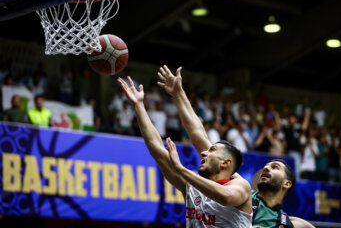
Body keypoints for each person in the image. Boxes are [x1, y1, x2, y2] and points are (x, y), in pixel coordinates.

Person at [156, 65, 314, 228]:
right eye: (267, 166)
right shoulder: (242, 191)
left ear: (286, 184)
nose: (266, 168)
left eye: (275, 167)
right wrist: (179, 94)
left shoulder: (288, 222)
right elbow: (199, 136)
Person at [118, 75, 253, 228]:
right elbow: (156, 147)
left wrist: (181, 169)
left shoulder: (241, 186)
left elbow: (226, 198)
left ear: (226, 163)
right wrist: (139, 105)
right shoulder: (192, 188)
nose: (203, 153)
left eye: (212, 150)